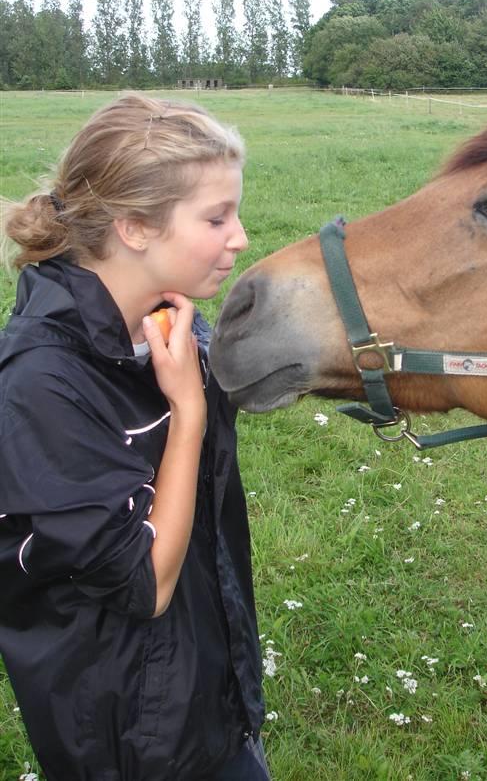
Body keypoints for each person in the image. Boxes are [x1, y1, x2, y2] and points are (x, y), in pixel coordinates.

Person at [0, 94, 270, 780]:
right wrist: (187, 413)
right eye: (217, 217)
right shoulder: (41, 384)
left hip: (208, 693)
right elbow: (143, 583)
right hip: (128, 740)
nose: (239, 237)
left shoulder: (168, 328)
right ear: (135, 228)